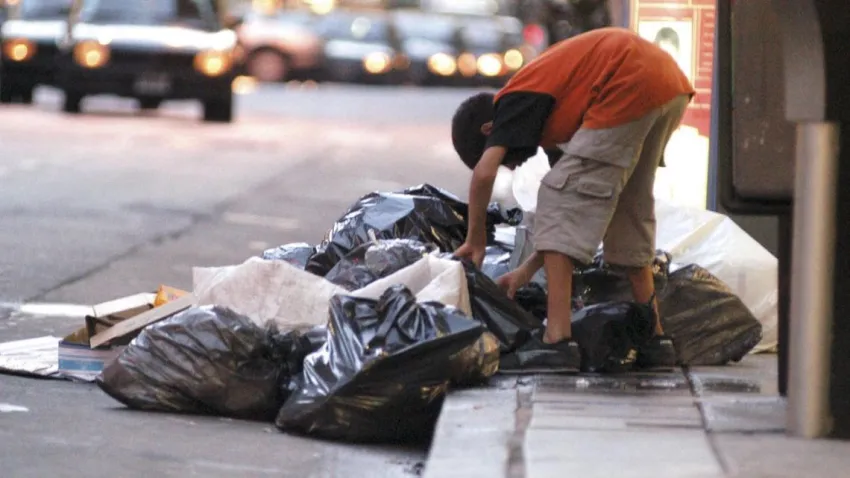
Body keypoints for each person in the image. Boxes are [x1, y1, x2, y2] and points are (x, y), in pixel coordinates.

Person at [451, 27, 694, 374]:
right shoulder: (553, 121)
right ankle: (654, 338)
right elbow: (573, 217)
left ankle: (556, 340)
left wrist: (474, 239)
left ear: (490, 131)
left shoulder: (513, 99)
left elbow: (484, 175)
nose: (511, 164)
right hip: (667, 84)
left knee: (556, 195)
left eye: (501, 156)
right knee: (627, 210)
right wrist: (524, 272)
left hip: (627, 80)